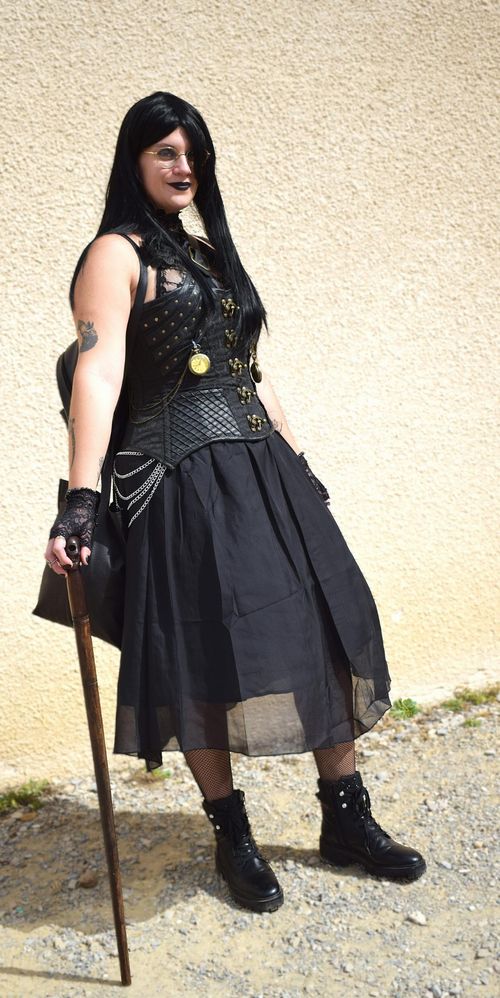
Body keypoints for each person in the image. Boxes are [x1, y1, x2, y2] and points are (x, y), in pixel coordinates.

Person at [44, 91, 426, 914]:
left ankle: (346, 817)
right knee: (200, 655)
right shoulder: (114, 253)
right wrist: (81, 500)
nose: (184, 166)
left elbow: (251, 368)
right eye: (166, 152)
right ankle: (232, 836)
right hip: (181, 481)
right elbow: (97, 374)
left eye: (193, 153)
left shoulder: (206, 255)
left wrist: (298, 459)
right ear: (135, 161)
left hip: (262, 469)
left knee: (324, 624)